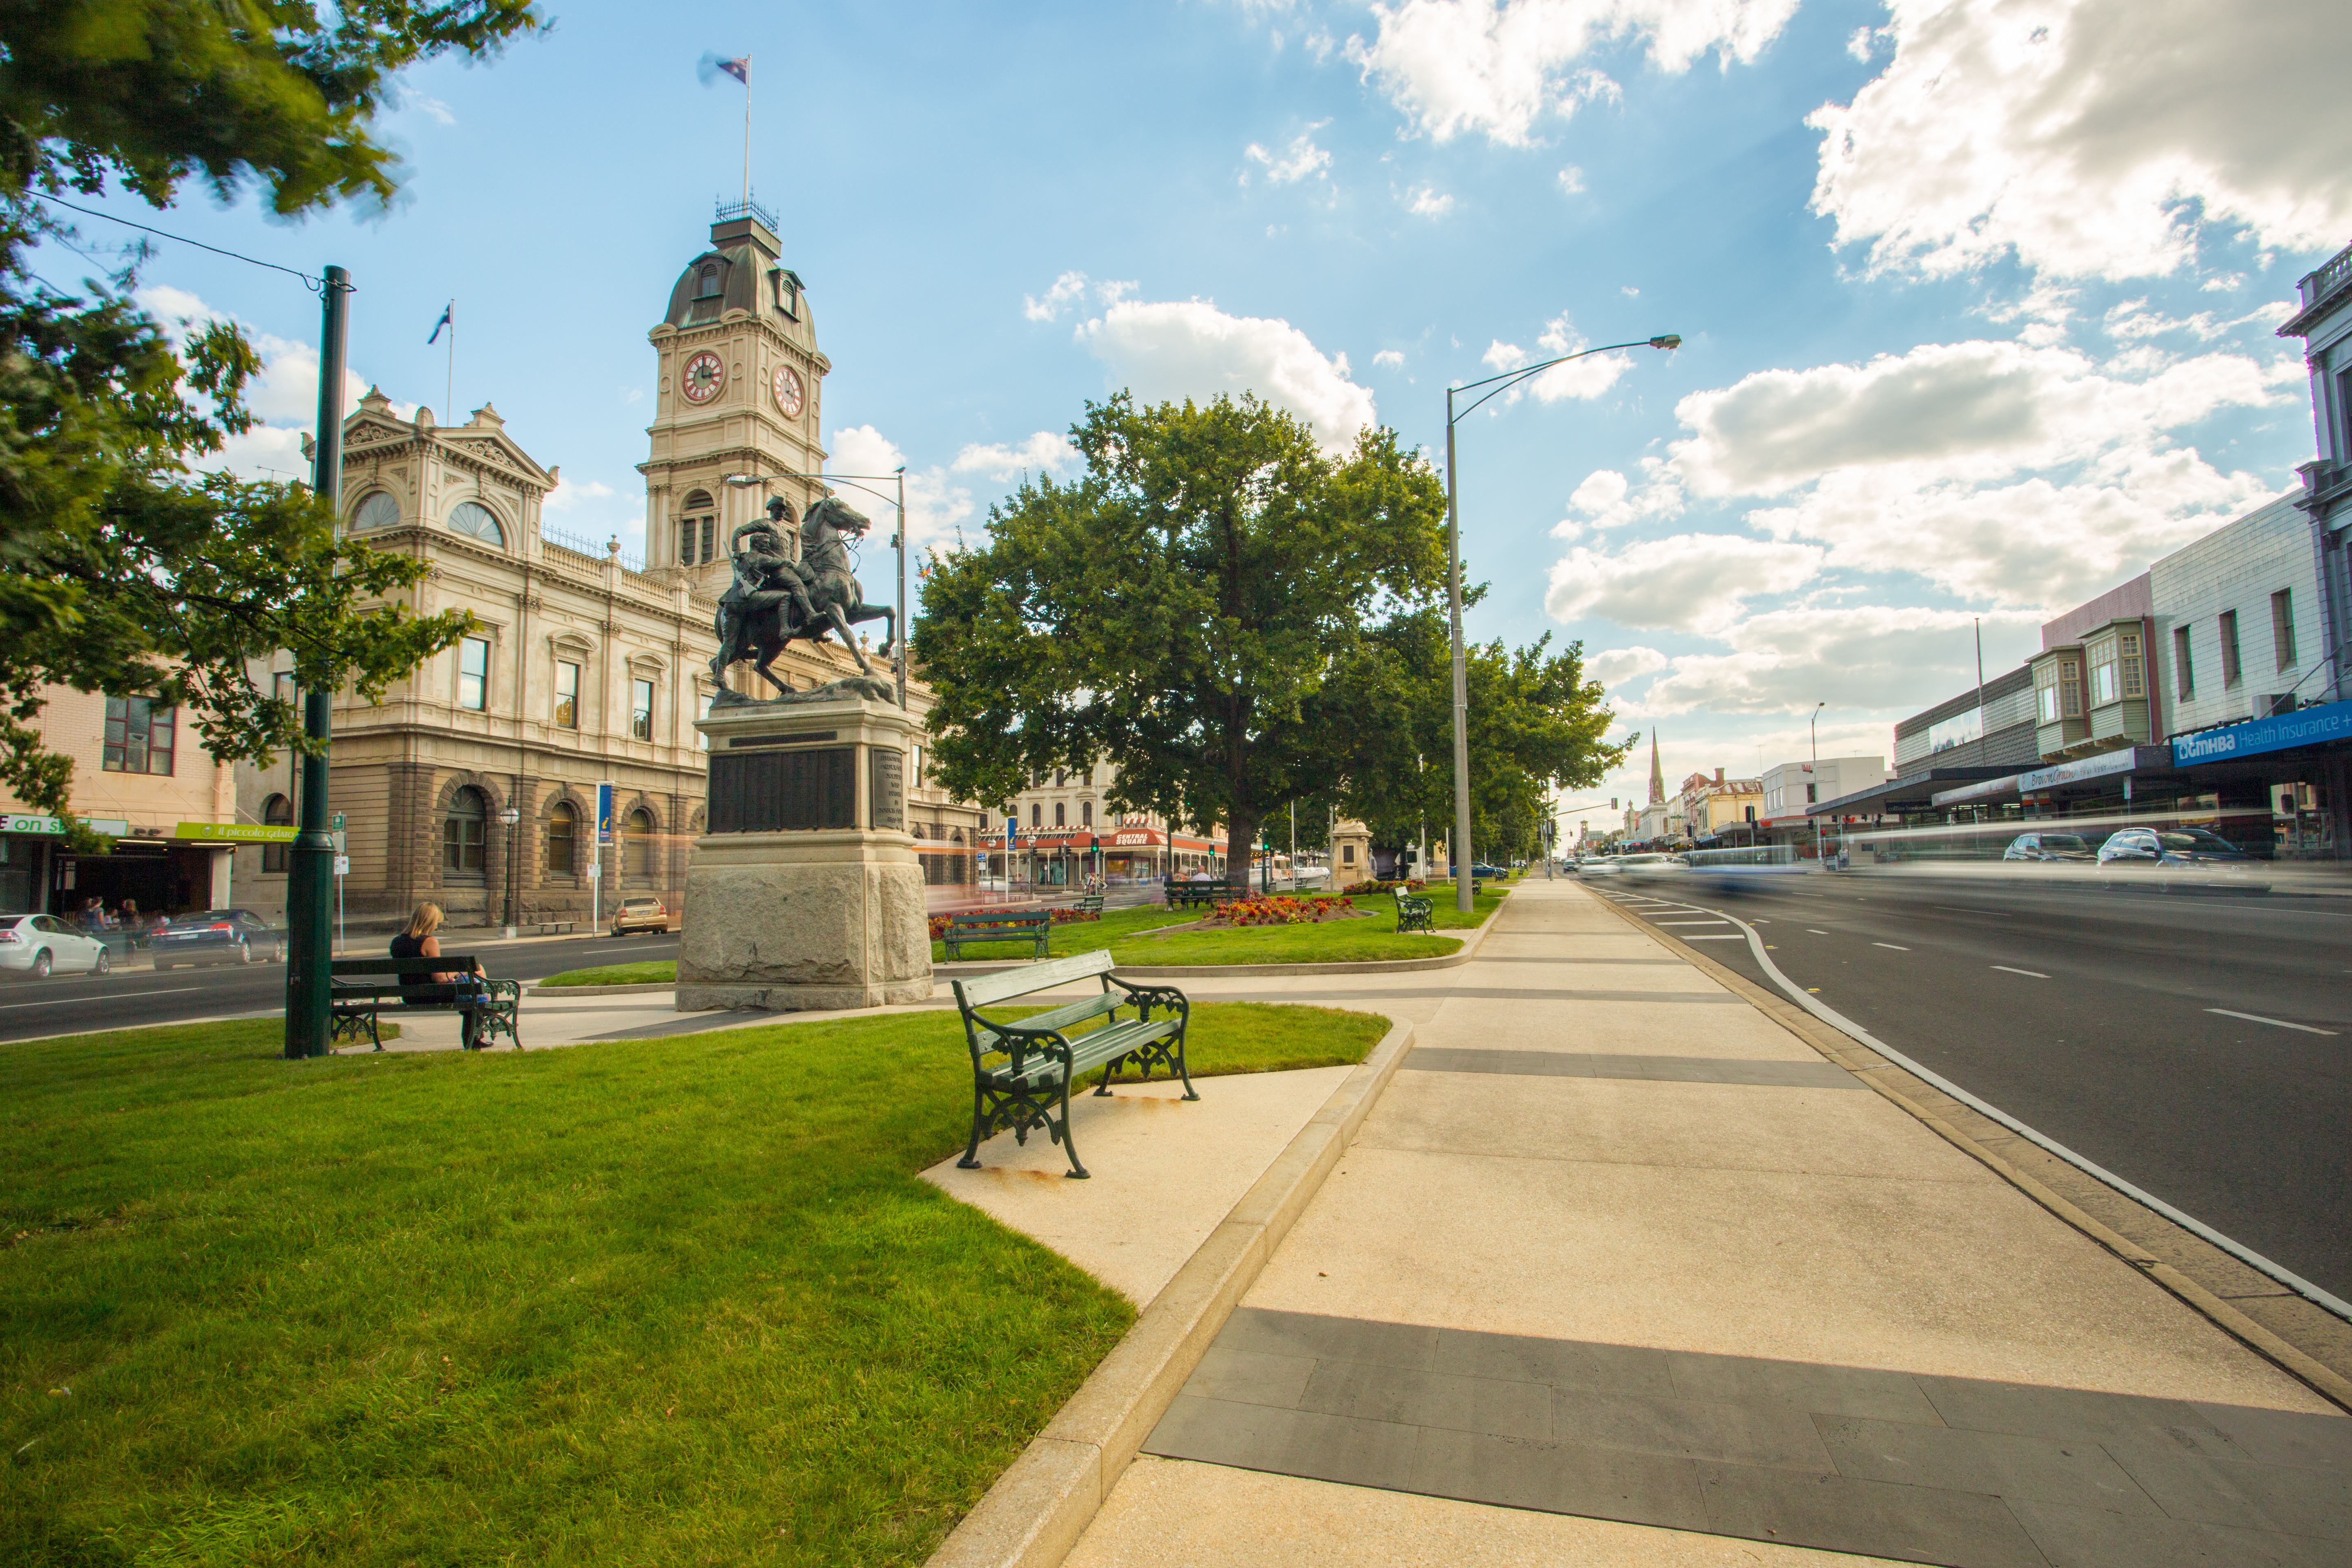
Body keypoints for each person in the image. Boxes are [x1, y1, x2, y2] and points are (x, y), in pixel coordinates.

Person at [389, 903, 481, 999]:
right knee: (478, 970)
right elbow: (439, 978)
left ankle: (477, 1011)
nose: (436, 926)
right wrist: (458, 971)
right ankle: (486, 1008)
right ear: (430, 922)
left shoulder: (396, 941)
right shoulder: (429, 942)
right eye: (437, 922)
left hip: (409, 996)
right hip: (430, 995)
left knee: (472, 980)